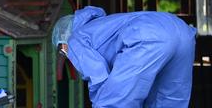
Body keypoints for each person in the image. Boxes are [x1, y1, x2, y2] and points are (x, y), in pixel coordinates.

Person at [53, 7, 196, 108]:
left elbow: (98, 76)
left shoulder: (74, 39)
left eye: (64, 52)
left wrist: (100, 102)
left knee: (112, 102)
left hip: (148, 38)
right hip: (182, 32)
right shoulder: (101, 24)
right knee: (169, 102)